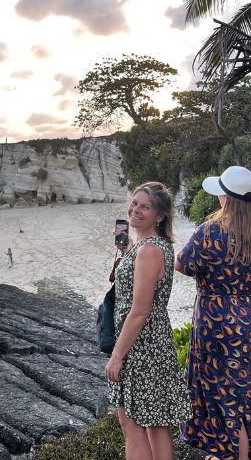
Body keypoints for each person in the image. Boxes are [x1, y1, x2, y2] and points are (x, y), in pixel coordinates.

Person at [176, 166, 251, 460]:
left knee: (218, 393)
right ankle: (236, 451)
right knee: (245, 393)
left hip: (215, 321)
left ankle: (229, 454)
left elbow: (182, 265)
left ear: (226, 198)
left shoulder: (209, 232)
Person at [106, 182, 191, 460]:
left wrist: (117, 355)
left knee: (132, 425)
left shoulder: (149, 251)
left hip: (141, 346)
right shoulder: (148, 247)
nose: (135, 210)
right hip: (152, 343)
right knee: (156, 424)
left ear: (159, 216)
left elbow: (140, 310)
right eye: (134, 203)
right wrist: (128, 251)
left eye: (145, 207)